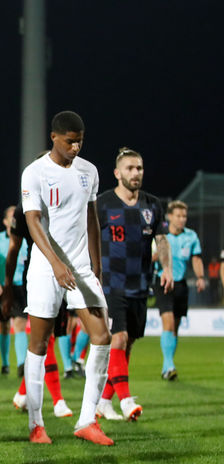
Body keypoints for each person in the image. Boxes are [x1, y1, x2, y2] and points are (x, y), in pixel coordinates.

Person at [20, 110, 114, 445]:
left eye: (80, 141)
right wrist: (57, 264)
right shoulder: (35, 173)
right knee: (39, 344)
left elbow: (91, 219)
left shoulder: (89, 172)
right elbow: (32, 222)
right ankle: (36, 424)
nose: (75, 147)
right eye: (70, 141)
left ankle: (87, 419)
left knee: (103, 335)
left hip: (81, 268)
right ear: (54, 137)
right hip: (47, 267)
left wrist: (96, 264)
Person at [94, 148, 172, 419]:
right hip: (110, 284)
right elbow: (88, 238)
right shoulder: (102, 203)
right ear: (117, 173)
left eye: (139, 168)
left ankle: (104, 401)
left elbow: (161, 240)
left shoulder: (152, 205)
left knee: (129, 344)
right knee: (119, 338)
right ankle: (126, 400)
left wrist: (167, 269)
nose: (135, 173)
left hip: (140, 284)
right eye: (129, 168)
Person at [2, 203, 73, 418]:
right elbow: (13, 248)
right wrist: (7, 287)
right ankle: (58, 400)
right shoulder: (26, 206)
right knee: (44, 338)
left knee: (45, 338)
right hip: (38, 277)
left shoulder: (68, 196)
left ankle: (23, 393)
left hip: (66, 274)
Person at [154, 200, 204, 380]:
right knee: (167, 323)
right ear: (169, 217)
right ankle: (169, 365)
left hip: (181, 285)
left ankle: (167, 365)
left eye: (184, 216)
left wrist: (199, 277)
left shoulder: (191, 236)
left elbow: (196, 259)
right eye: (178, 216)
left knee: (175, 327)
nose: (182, 219)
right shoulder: (161, 235)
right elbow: (150, 257)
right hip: (163, 282)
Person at [0, 205, 28, 375]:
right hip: (1, 287)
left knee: (20, 322)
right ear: (5, 221)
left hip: (20, 285)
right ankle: (5, 364)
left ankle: (21, 364)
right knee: (4, 325)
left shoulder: (26, 239)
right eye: (11, 217)